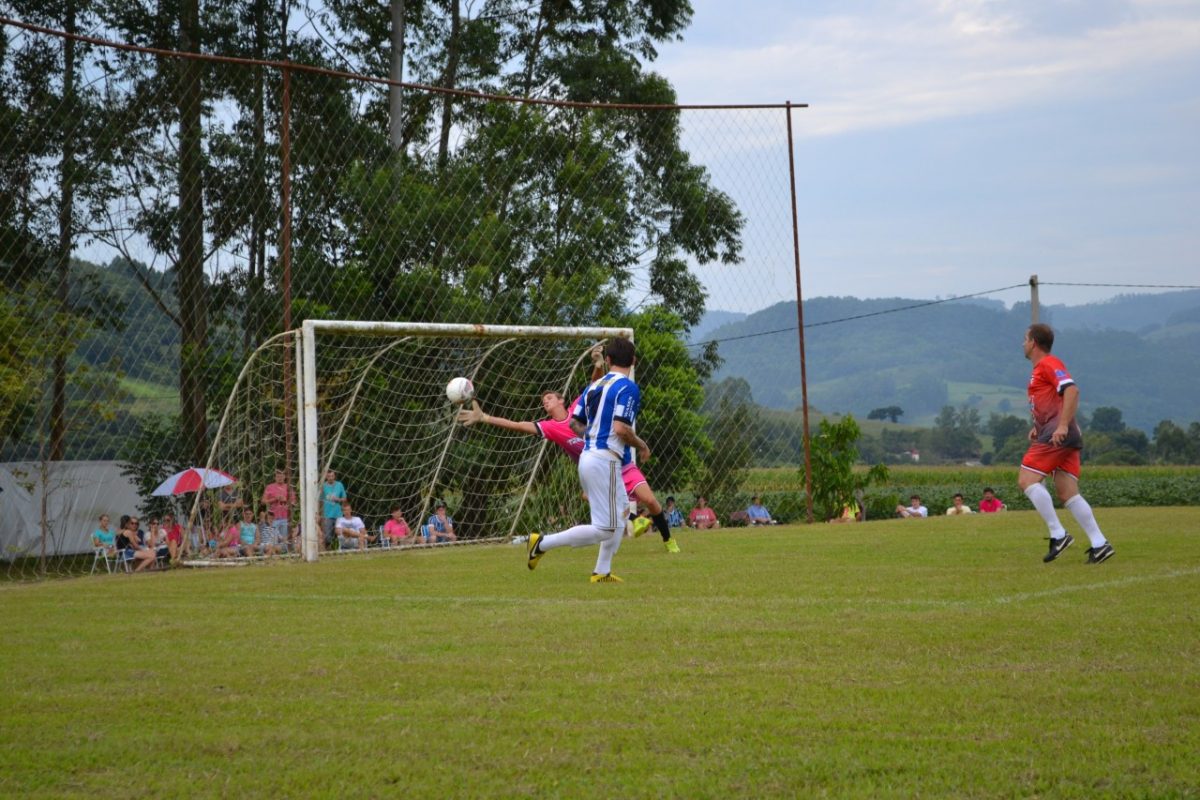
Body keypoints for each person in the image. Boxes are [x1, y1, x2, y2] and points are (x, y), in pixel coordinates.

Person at [458, 344, 680, 553]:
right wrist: (485, 417)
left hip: (620, 463)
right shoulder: (551, 427)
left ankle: (667, 539)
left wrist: (597, 365)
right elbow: (517, 425)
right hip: (597, 468)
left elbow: (595, 386)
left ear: (562, 400)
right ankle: (625, 529)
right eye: (543, 401)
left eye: (550, 397)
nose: (546, 401)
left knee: (650, 501)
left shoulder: (577, 407)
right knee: (597, 504)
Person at [526, 337, 650, 582]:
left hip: (592, 457)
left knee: (623, 512)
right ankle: (542, 543)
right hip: (604, 460)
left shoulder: (593, 387)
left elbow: (574, 423)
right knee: (604, 529)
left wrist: (593, 436)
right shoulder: (628, 388)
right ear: (634, 361)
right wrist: (642, 445)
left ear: (608, 360)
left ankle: (601, 571)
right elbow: (621, 429)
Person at [1019, 323, 1113, 564]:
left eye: (1025, 339)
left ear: (1034, 343)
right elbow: (1051, 402)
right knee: (1067, 493)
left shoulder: (1049, 363)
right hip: (1060, 434)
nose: (1022, 343)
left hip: (1058, 435)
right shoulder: (1042, 367)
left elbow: (1071, 390)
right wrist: (1038, 426)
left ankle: (1058, 534)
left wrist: (1060, 426)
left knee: (1026, 480)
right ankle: (1100, 543)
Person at [261, 470, 296, 544]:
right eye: (278, 476)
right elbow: (263, 501)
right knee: (273, 541)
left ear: (285, 477)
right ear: (275, 477)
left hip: (285, 518)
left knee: (284, 540)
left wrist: (285, 500)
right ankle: (272, 553)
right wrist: (274, 499)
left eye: (281, 476)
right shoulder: (269, 487)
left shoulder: (289, 487)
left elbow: (294, 503)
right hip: (273, 518)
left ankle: (284, 553)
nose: (280, 478)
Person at [321, 470, 348, 550]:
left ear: (334, 476)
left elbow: (344, 499)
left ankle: (342, 549)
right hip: (327, 515)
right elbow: (319, 500)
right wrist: (319, 513)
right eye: (329, 476)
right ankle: (327, 550)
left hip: (338, 514)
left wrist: (338, 499)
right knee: (327, 537)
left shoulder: (339, 485)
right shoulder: (323, 486)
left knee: (340, 534)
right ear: (326, 477)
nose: (330, 478)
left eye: (332, 476)